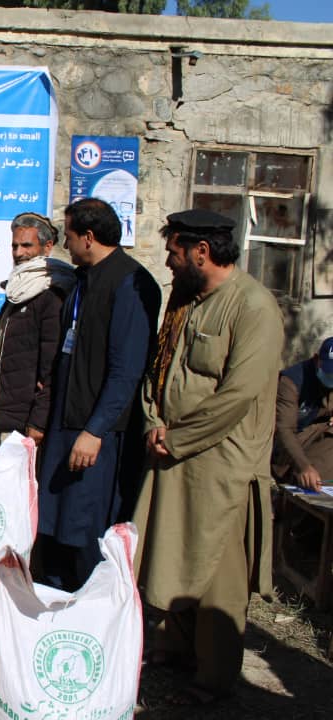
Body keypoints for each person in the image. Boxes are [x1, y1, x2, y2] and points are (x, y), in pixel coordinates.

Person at [134, 209, 283, 705]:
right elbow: (160, 368)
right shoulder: (187, 301)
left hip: (220, 459)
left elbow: (238, 395)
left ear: (201, 251)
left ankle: (215, 675)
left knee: (216, 568)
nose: (170, 263)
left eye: (175, 253)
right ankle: (174, 647)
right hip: (172, 449)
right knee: (169, 551)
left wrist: (175, 437)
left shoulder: (253, 306)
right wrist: (155, 422)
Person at [35, 198, 160, 592]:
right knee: (53, 527)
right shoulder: (82, 282)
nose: (65, 247)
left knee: (87, 532)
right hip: (64, 426)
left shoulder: (129, 283)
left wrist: (95, 430)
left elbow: (127, 371)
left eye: (69, 238)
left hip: (97, 434)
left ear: (88, 238)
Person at [0, 212, 75, 463]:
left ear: (47, 247)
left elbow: (51, 367)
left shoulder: (51, 294)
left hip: (24, 420)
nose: (18, 253)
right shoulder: (19, 289)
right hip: (6, 411)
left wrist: (38, 422)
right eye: (14, 245)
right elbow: (20, 351)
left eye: (26, 245)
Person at [272, 336, 333, 490]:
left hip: (316, 439)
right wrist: (304, 467)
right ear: (316, 359)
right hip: (287, 449)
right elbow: (284, 430)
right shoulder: (291, 382)